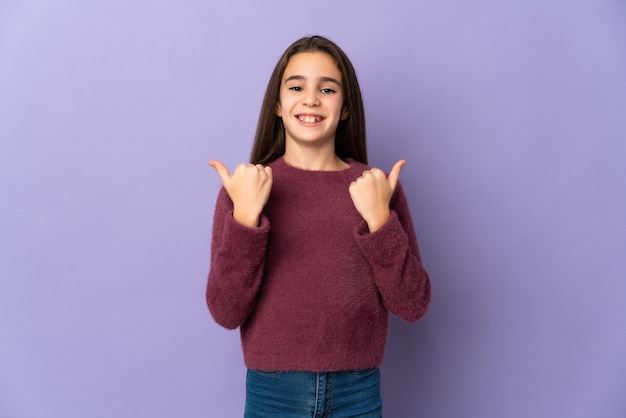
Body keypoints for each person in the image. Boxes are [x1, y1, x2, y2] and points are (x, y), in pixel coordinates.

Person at [206, 35, 431, 418]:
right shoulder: (247, 190)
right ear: (277, 105)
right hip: (273, 392)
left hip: (357, 391)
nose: (311, 99)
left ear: (345, 108)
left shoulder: (376, 189)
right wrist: (245, 218)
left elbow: (412, 305)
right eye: (297, 87)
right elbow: (226, 311)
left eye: (327, 89)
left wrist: (379, 222)